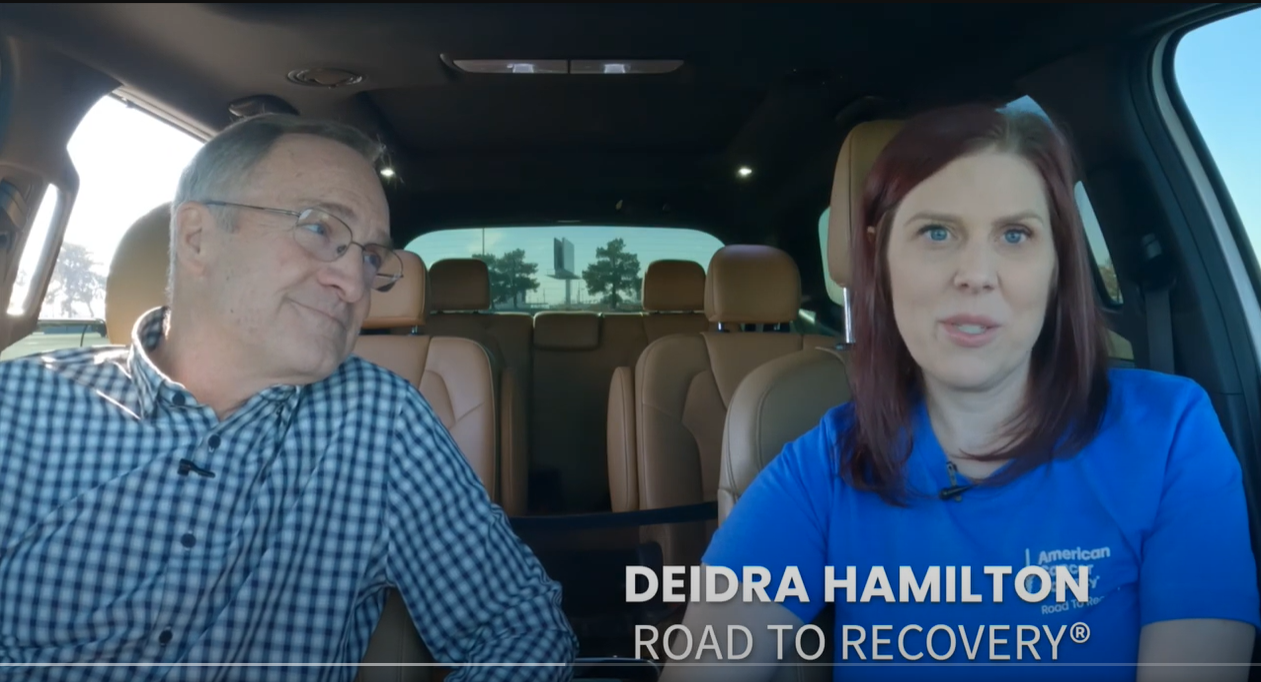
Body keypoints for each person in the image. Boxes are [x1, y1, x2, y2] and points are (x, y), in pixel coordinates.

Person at [660, 103, 1259, 681]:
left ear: (1057, 265)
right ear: (879, 256)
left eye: (1016, 235)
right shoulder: (825, 467)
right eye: (938, 231)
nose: (976, 272)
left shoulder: (1171, 434)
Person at [0, 114, 576, 680]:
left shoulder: (380, 422)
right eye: (320, 228)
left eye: (372, 257)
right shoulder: (18, 406)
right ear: (197, 236)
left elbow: (522, 628)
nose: (355, 285)